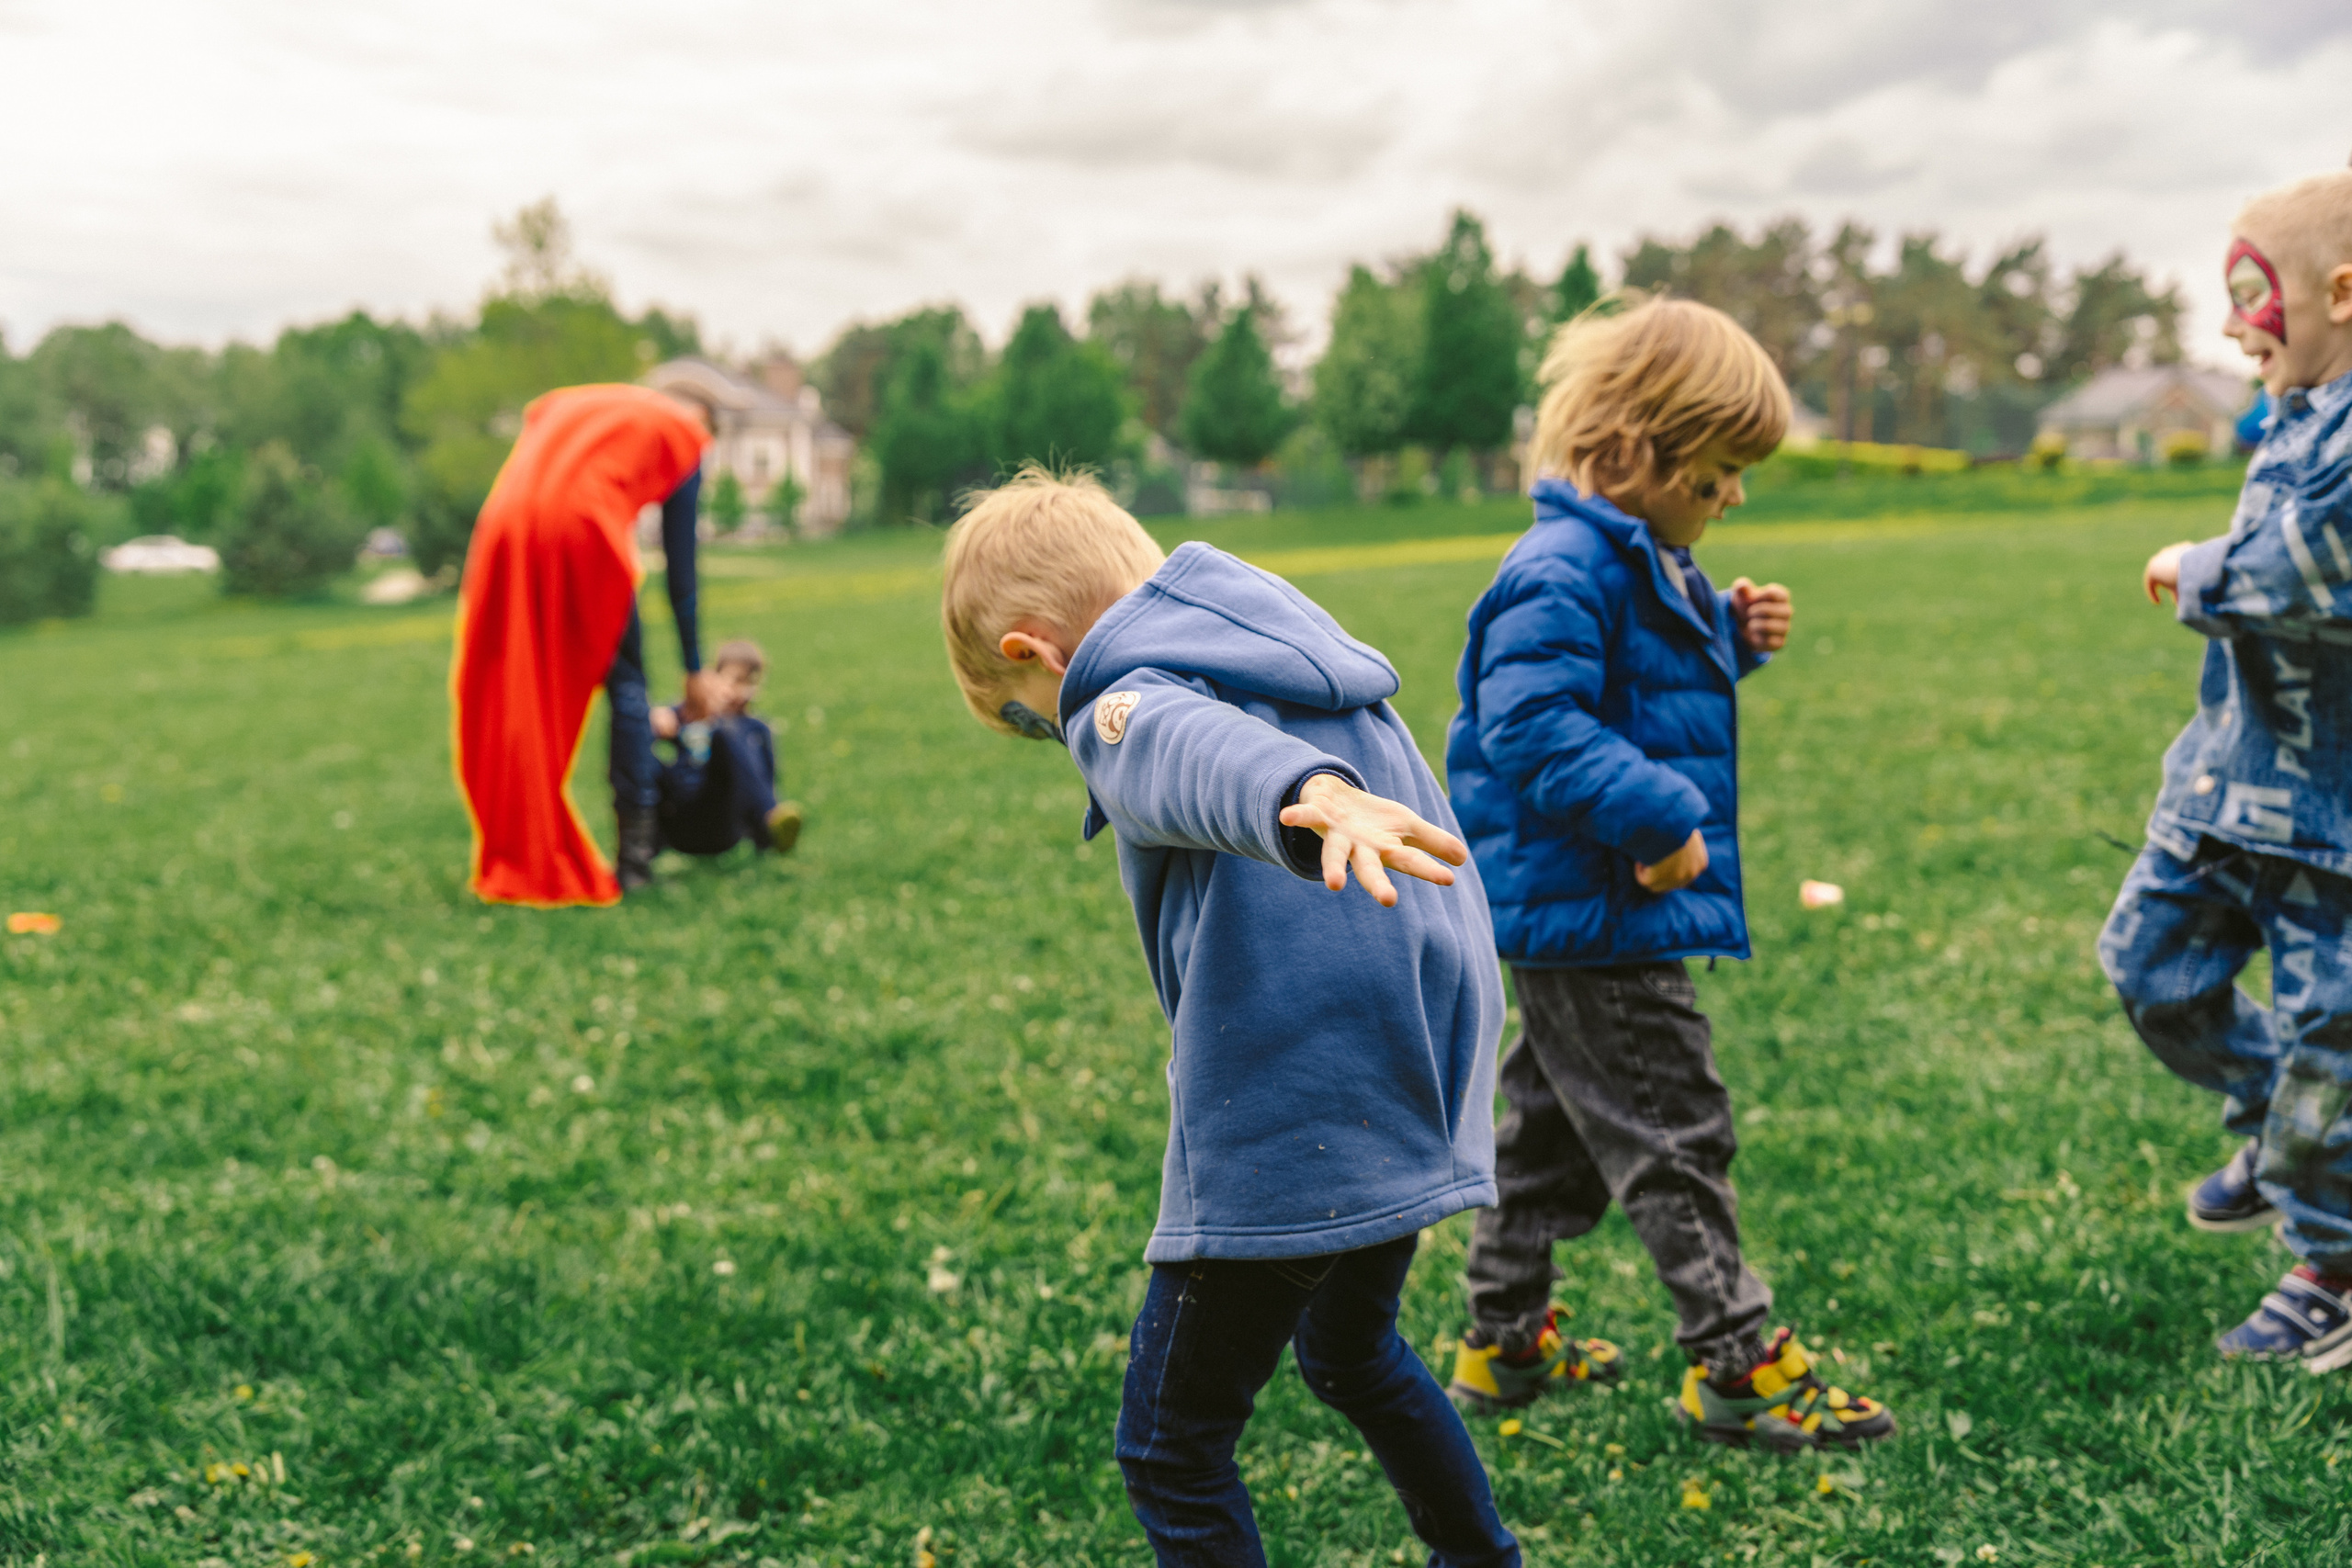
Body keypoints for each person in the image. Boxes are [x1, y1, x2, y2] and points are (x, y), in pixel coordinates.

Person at [941, 468, 1519, 1568]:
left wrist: (1306, 796)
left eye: (1033, 727)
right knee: (1351, 1350)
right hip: (1416, 1064)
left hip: (1298, 1100)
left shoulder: (1117, 695)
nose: (1058, 741)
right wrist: (1321, 785)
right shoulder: (1287, 644)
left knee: (1171, 1447)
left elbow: (1176, 747)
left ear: (1035, 653)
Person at [1442, 296, 1895, 1451]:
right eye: (1717, 472)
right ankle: (1737, 1362)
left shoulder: (1633, 556)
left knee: (1546, 1138)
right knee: (1673, 1132)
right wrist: (1655, 822)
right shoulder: (1560, 570)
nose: (1732, 496)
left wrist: (1727, 636)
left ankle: (1500, 1338)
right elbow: (1531, 725)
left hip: (1574, 913)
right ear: (1628, 450)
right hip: (1601, 907)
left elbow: (1632, 689)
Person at [2107, 169, 2352, 1371]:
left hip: (2331, 823)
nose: (2232, 327)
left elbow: (2308, 569)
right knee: (2149, 965)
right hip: (2226, 786)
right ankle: (2271, 1125)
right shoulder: (2304, 406)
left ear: (2342, 293)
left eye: (2255, 295)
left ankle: (2335, 1263)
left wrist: (2195, 565)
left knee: (2332, 1043)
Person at [450, 383, 717, 906]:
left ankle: (517, 838)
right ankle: (636, 859)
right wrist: (692, 668)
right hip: (579, 525)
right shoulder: (687, 435)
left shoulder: (598, 406)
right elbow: (681, 570)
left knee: (521, 679)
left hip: (503, 522)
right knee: (629, 687)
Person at [650, 638, 803, 858]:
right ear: (713, 678)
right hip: (681, 818)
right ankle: (642, 846)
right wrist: (656, 718)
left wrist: (721, 722)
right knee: (639, 741)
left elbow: (767, 779)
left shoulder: (755, 730)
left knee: (727, 732)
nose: (741, 692)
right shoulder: (686, 713)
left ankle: (769, 821)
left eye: (750, 683)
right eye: (735, 681)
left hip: (723, 825)